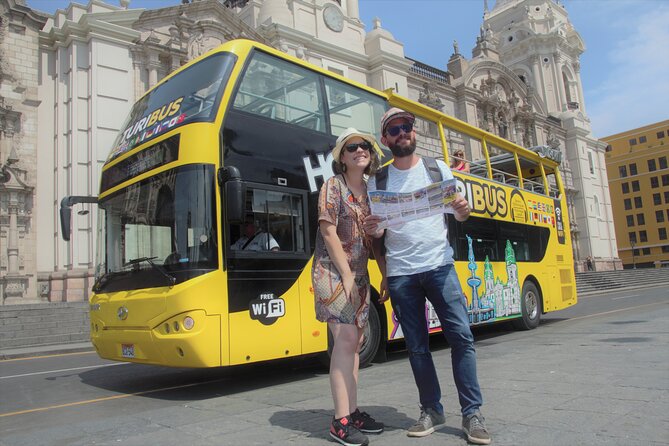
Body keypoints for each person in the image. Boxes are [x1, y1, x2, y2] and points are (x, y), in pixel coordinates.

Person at [363, 108, 491, 445]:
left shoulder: (438, 168)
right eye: (394, 129)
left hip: (440, 266)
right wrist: (378, 248)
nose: (402, 133)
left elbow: (460, 212)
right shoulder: (377, 181)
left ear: (414, 133)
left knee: (461, 338)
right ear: (385, 139)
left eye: (406, 127)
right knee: (417, 348)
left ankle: (472, 413)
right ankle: (431, 410)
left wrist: (464, 210)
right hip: (402, 273)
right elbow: (375, 239)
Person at [312, 127, 384, 446]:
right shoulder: (332, 186)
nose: (360, 150)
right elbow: (328, 233)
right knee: (345, 341)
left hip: (361, 274)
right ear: (342, 157)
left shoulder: (372, 193)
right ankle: (340, 422)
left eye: (365, 146)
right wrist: (347, 277)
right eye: (352, 147)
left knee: (354, 344)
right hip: (332, 271)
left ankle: (352, 412)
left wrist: (386, 275)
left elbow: (377, 243)